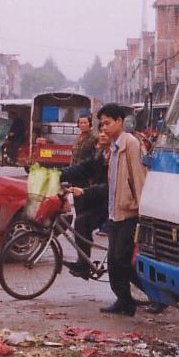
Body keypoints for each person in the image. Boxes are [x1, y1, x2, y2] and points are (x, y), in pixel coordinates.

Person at [97, 103, 147, 317]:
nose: (104, 128)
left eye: (108, 123)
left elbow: (139, 178)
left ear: (120, 121)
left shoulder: (131, 144)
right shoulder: (114, 147)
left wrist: (142, 209)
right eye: (102, 124)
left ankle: (151, 293)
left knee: (121, 259)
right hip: (114, 212)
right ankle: (124, 301)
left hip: (130, 212)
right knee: (113, 261)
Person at [60, 122, 111, 280]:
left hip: (113, 202)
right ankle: (84, 264)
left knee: (118, 257)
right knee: (81, 222)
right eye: (101, 131)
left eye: (106, 133)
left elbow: (112, 186)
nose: (102, 135)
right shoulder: (100, 153)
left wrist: (85, 191)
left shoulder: (117, 156)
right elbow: (82, 167)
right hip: (99, 197)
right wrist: (57, 174)